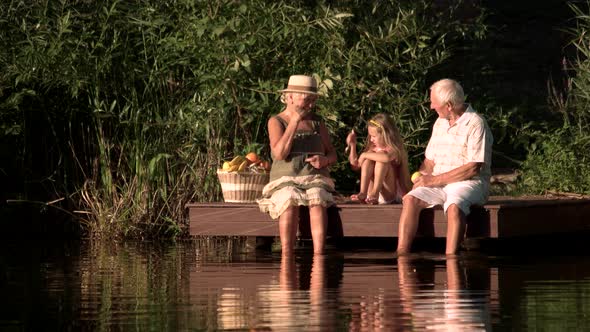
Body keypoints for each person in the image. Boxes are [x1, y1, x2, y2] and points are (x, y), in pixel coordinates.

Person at [395, 78, 493, 255]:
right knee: (410, 199)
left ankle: (451, 259)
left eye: (434, 102)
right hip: (438, 183)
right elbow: (430, 161)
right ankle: (402, 254)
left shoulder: (476, 123)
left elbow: (473, 168)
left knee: (454, 205)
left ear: (448, 105)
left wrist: (433, 180)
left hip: (469, 182)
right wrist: (421, 178)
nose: (431, 106)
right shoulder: (440, 122)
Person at [258, 75, 337, 255]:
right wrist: (294, 121)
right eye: (305, 98)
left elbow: (332, 153)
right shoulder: (276, 121)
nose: (309, 103)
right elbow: (279, 153)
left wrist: (324, 160)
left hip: (313, 177)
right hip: (286, 178)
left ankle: (319, 256)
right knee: (289, 199)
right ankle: (287, 255)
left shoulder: (317, 122)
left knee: (317, 197)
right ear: (290, 97)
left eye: (312, 99)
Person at [346, 113, 412, 204]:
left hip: (389, 193)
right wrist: (352, 145)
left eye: (373, 136)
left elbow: (386, 158)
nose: (371, 139)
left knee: (380, 159)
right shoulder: (372, 148)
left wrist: (364, 155)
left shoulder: (395, 149)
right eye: (370, 136)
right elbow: (356, 166)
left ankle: (375, 193)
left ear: (385, 135)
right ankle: (363, 193)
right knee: (368, 159)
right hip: (370, 195)